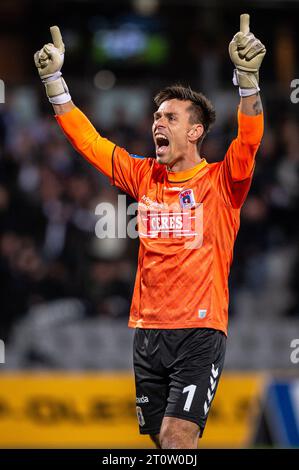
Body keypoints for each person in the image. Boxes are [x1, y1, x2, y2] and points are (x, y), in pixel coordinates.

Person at [34, 14, 266, 449]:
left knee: (178, 440)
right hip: (148, 331)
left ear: (195, 131)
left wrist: (248, 82)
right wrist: (54, 83)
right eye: (157, 116)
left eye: (171, 118)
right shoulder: (143, 176)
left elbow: (249, 139)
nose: (158, 123)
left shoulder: (222, 182)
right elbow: (90, 142)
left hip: (199, 331)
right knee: (163, 444)